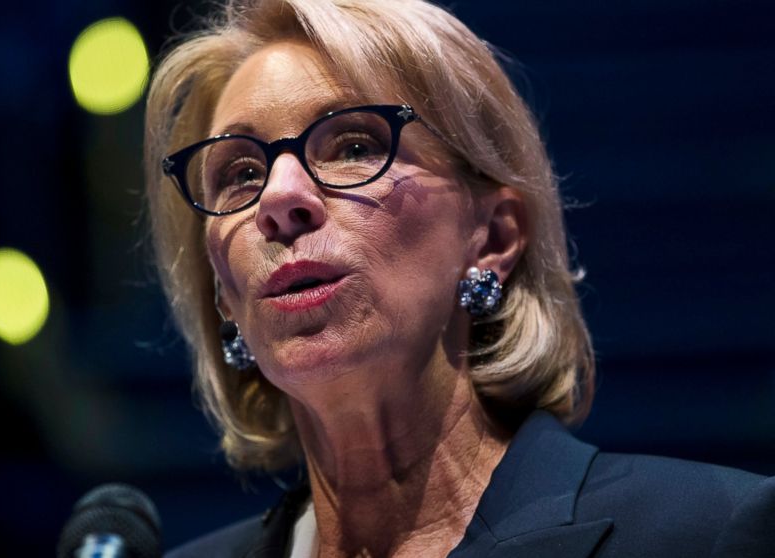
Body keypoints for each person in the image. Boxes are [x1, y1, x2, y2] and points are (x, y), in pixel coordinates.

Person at [142, 0, 775, 556]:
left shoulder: (706, 533)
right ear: (223, 292)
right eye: (241, 174)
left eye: (355, 146)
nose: (279, 198)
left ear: (493, 236)